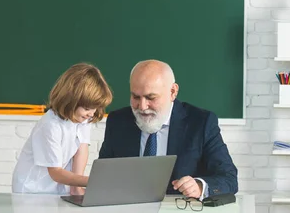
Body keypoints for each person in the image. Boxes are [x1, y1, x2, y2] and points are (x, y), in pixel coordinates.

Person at [98, 59, 237, 200]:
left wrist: (199, 186)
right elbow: (102, 177)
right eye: (135, 97)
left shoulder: (201, 122)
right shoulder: (117, 121)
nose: (142, 106)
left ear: (172, 92)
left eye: (150, 97)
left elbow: (229, 178)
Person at [12, 63, 113, 195]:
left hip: (56, 186)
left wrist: (76, 188)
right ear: (70, 101)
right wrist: (92, 181)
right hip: (31, 189)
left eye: (95, 108)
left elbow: (81, 149)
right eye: (87, 108)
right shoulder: (50, 125)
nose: (91, 114)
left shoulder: (82, 118)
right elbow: (56, 172)